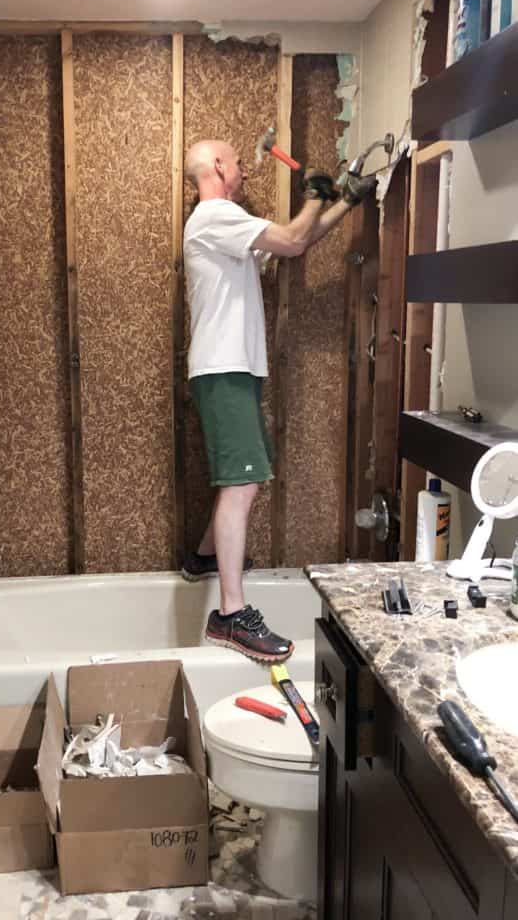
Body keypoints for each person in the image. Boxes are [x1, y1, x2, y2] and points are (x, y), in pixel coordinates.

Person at [181, 138, 375, 662]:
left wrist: (343, 203)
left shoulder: (227, 228)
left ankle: (203, 559)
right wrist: (315, 193)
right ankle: (230, 615)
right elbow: (291, 238)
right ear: (218, 167)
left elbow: (297, 243)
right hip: (224, 367)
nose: (244, 169)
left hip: (231, 368)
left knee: (243, 474)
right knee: (242, 483)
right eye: (238, 161)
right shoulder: (215, 215)